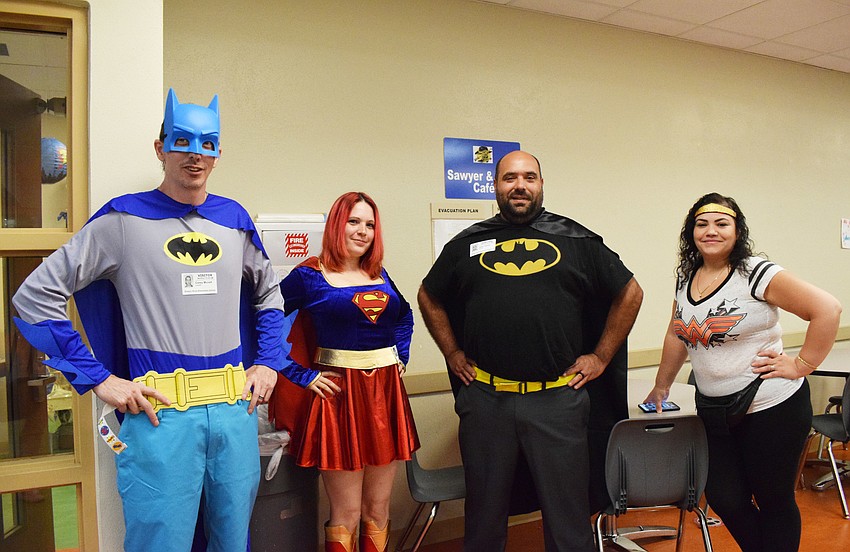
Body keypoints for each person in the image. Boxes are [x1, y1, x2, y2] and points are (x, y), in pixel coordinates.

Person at [11, 89, 285, 551]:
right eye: (182, 142)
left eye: (207, 144)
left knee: (234, 543)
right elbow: (32, 298)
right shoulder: (122, 220)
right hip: (161, 416)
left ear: (218, 153)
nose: (195, 155)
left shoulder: (234, 220)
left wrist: (269, 362)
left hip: (234, 413)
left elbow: (269, 294)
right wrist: (98, 378)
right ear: (160, 148)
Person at [418, 150, 643, 551]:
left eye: (529, 177)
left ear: (541, 184)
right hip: (486, 401)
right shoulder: (467, 243)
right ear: (495, 186)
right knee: (483, 520)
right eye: (509, 178)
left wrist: (601, 357)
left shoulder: (577, 240)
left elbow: (630, 292)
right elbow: (428, 295)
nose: (519, 185)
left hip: (558, 399)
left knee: (568, 519)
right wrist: (452, 352)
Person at [644, 193, 842, 552]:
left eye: (721, 223)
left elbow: (827, 309)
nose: (711, 231)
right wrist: (662, 385)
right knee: (725, 497)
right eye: (701, 224)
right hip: (714, 409)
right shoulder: (687, 277)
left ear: (737, 230)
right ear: (691, 232)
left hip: (772, 406)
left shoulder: (756, 272)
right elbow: (677, 331)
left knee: (773, 499)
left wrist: (801, 365)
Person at [269, 191, 419, 552]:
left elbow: (404, 315)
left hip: (385, 394)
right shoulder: (309, 276)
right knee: (347, 512)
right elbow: (265, 323)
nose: (363, 231)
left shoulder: (378, 273)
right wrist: (302, 376)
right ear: (337, 224)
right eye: (354, 221)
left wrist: (400, 356)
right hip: (338, 397)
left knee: (378, 510)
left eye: (370, 224)